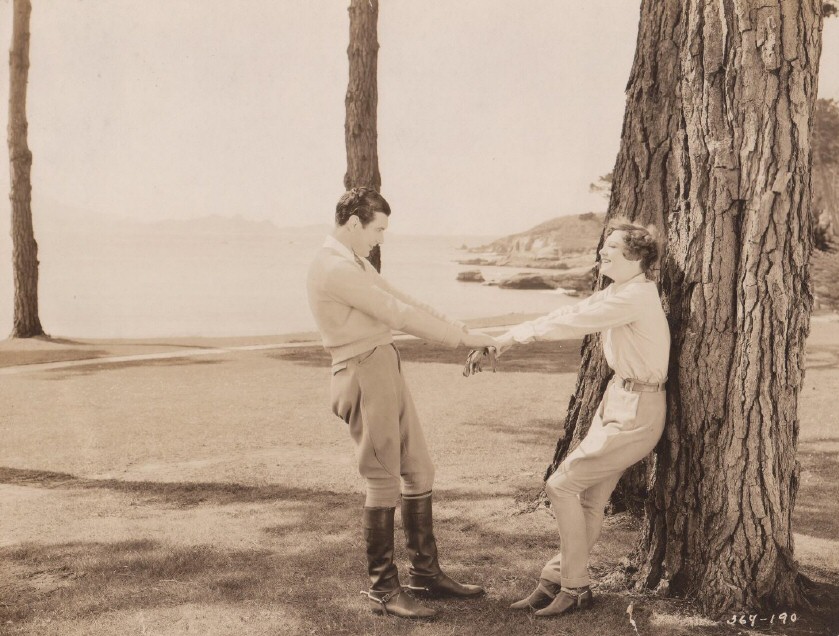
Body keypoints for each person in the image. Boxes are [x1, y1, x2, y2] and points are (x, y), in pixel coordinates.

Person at [307, 187, 498, 619]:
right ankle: (383, 590)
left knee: (419, 470)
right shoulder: (333, 266)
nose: (380, 238)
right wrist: (463, 340)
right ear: (353, 223)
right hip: (361, 372)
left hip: (383, 364)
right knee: (383, 479)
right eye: (377, 229)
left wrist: (464, 328)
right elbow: (398, 314)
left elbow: (407, 301)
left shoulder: (353, 261)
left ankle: (424, 575)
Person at [471, 217, 669, 617]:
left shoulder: (635, 296)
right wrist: (501, 342)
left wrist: (504, 341)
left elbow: (568, 324)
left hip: (639, 411)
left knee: (560, 486)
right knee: (590, 500)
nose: (602, 252)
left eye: (610, 249)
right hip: (618, 401)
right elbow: (565, 313)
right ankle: (555, 579)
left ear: (634, 258)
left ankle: (575, 586)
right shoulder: (620, 290)